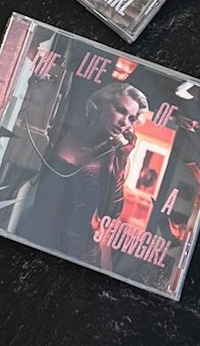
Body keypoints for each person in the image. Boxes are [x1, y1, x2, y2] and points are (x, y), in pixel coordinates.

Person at [18, 83, 148, 268]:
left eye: (131, 119)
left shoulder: (115, 162)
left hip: (75, 253)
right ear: (100, 104)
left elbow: (111, 213)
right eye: (120, 110)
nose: (124, 122)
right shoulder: (59, 132)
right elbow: (24, 173)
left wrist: (121, 159)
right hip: (33, 232)